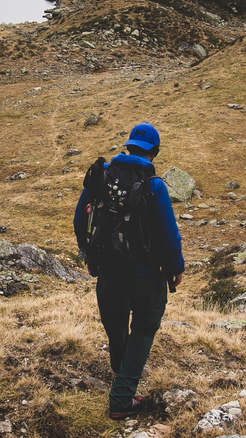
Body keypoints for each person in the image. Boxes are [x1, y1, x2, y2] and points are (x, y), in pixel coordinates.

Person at [73, 122, 185, 420]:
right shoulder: (154, 186)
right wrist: (176, 267)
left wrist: (89, 256)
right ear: (154, 152)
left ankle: (121, 375)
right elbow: (168, 234)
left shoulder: (103, 175)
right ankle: (122, 398)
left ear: (128, 147)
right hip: (145, 275)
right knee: (145, 327)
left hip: (108, 270)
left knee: (116, 324)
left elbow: (80, 220)